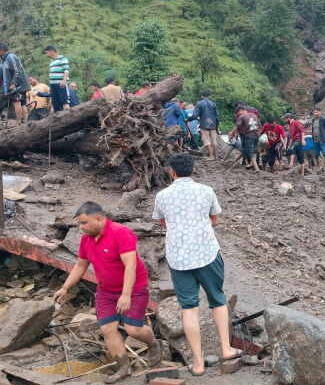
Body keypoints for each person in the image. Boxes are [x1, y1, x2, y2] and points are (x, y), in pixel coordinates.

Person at [152, 154, 241, 376]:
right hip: (207, 252)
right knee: (217, 299)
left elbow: (163, 222)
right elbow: (215, 219)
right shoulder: (206, 191)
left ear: (172, 172)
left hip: (179, 258)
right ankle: (226, 348)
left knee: (188, 308)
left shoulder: (162, 196)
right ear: (192, 170)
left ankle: (198, 362)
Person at [53, 202, 161, 383]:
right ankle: (123, 367)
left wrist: (126, 294)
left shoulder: (121, 233)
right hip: (105, 291)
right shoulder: (86, 240)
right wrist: (65, 287)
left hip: (134, 289)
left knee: (133, 329)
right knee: (107, 328)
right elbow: (80, 265)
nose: (81, 228)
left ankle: (153, 344)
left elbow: (130, 265)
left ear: (99, 218)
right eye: (79, 224)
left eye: (84, 223)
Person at [0, 43, 29, 131]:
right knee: (22, 103)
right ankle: (24, 122)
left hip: (18, 85)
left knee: (17, 102)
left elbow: (17, 70)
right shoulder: (5, 59)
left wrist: (13, 83)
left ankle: (19, 122)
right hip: (20, 84)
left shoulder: (10, 57)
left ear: (1, 50)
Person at [42, 45, 70, 113]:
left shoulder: (62, 58)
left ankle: (69, 116)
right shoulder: (52, 62)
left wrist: (64, 80)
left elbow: (66, 70)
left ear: (52, 51)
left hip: (60, 84)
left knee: (64, 102)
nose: (46, 55)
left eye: (47, 53)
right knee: (55, 103)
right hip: (53, 85)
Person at [195, 91, 219, 160]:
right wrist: (217, 126)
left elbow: (195, 115)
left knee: (206, 140)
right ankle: (216, 156)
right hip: (213, 124)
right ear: (209, 96)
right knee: (214, 141)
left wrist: (188, 120)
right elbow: (217, 116)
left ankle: (211, 156)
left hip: (204, 125)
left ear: (202, 96)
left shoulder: (199, 103)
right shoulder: (213, 104)